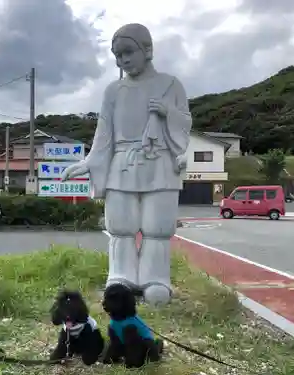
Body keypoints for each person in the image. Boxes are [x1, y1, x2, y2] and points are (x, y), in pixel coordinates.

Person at [61, 23, 192, 305]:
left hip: (159, 161)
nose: (123, 60)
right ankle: (121, 276)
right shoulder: (113, 91)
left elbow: (185, 123)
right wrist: (90, 161)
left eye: (128, 52)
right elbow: (104, 134)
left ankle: (156, 279)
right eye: (118, 56)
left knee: (157, 227)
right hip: (122, 162)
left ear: (147, 49)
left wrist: (168, 112)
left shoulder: (171, 84)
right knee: (121, 225)